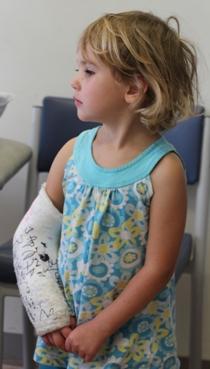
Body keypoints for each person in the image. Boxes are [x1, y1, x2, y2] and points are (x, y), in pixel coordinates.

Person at [13, 10, 198, 369]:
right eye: (78, 69)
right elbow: (36, 235)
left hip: (130, 338)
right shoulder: (71, 153)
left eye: (89, 71)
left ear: (133, 88)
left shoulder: (164, 170)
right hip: (71, 328)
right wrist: (50, 313)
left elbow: (158, 270)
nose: (74, 81)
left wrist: (102, 326)